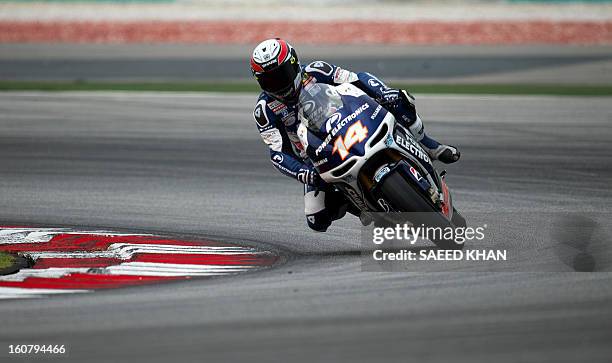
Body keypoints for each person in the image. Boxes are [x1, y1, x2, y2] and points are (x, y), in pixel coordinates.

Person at [251, 38, 460, 232]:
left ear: (295, 64)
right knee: (316, 219)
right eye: (269, 80)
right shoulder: (264, 111)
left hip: (352, 122)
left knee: (400, 101)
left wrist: (383, 92)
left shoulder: (317, 70)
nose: (278, 84)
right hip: (317, 157)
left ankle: (430, 146)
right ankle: (363, 207)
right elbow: (277, 153)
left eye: (282, 75)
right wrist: (302, 172)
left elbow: (358, 79)